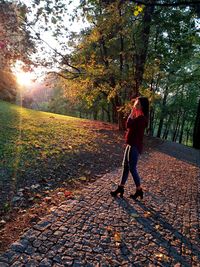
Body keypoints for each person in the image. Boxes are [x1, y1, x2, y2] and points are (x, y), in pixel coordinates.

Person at [111, 96, 149, 200]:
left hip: (135, 146)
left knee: (132, 168)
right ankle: (120, 188)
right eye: (136, 103)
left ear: (142, 106)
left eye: (137, 104)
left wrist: (132, 113)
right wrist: (133, 113)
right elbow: (129, 124)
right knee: (125, 167)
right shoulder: (138, 117)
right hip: (130, 144)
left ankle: (139, 190)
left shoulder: (142, 119)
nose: (135, 105)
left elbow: (128, 124)